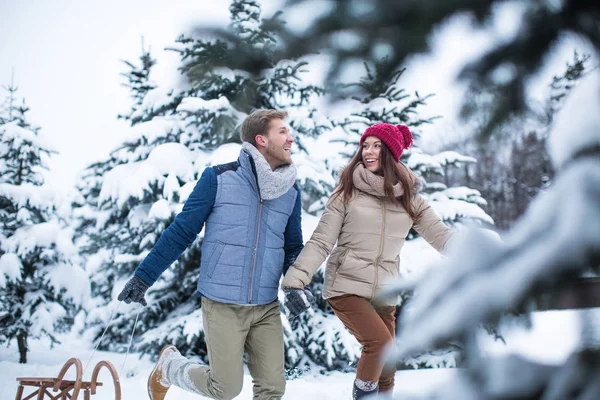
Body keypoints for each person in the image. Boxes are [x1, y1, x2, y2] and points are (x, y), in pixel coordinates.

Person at [117, 109, 303, 400]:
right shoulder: (218, 179)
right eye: (282, 131)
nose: (290, 138)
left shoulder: (290, 191)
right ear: (261, 140)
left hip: (266, 305)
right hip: (222, 302)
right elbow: (181, 232)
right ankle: (169, 366)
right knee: (225, 388)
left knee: (272, 388)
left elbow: (293, 247)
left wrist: (294, 284)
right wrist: (144, 276)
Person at [282, 123, 453, 399]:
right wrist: (295, 281)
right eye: (365, 145)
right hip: (346, 286)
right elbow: (321, 241)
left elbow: (442, 236)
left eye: (377, 146)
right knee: (380, 344)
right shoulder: (346, 194)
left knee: (388, 363)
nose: (369, 152)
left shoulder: (409, 199)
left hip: (384, 292)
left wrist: (478, 258)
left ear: (391, 153)